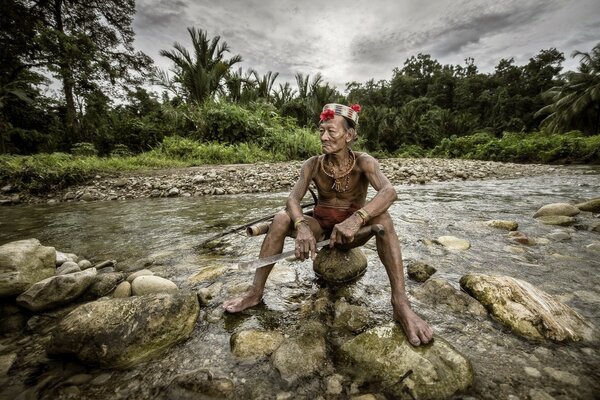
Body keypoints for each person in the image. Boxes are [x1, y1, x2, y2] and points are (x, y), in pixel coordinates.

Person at [223, 103, 433, 346]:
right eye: (321, 130)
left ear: (349, 135)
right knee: (281, 218)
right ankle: (254, 293)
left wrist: (357, 218)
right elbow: (292, 199)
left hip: (352, 235)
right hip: (320, 230)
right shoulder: (313, 164)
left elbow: (389, 192)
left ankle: (400, 303)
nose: (323, 137)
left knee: (384, 219)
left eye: (331, 131)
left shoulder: (364, 163)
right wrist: (301, 225)